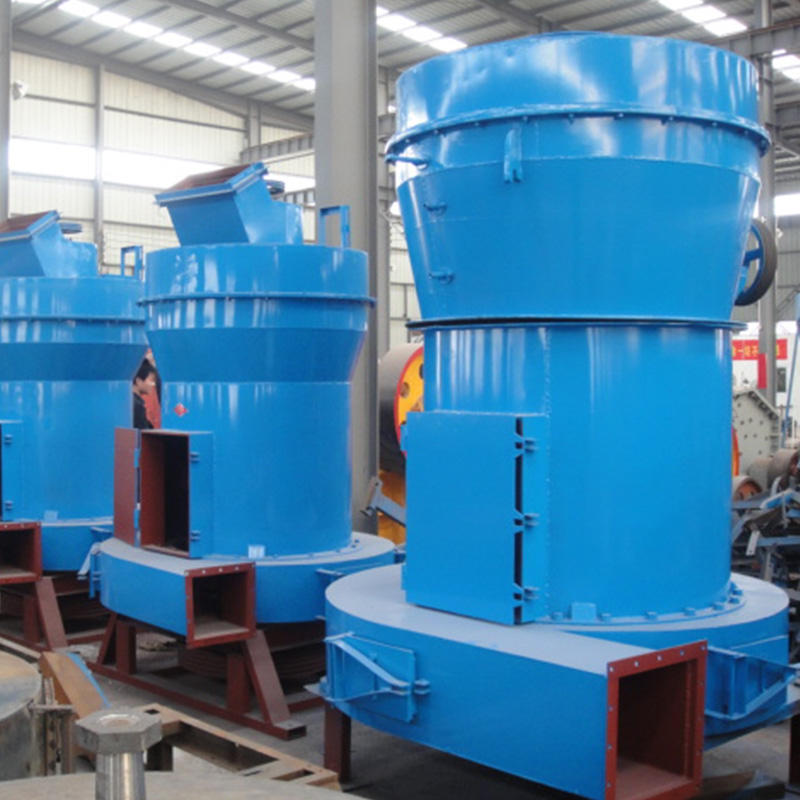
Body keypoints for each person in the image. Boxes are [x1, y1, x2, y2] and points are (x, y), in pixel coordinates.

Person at [132, 360, 157, 429]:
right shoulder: (136, 406)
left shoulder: (131, 402)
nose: (154, 384)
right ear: (138, 381)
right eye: (151, 380)